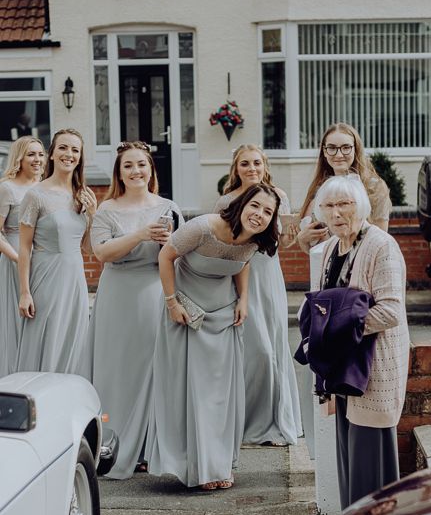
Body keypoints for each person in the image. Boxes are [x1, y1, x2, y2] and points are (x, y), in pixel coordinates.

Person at [147, 183, 280, 491]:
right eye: (255, 206)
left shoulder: (255, 240)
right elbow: (166, 257)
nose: (259, 215)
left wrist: (244, 299)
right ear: (243, 203)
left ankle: (218, 464)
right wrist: (171, 304)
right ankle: (195, 465)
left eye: (268, 212)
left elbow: (242, 264)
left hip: (224, 316)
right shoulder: (204, 227)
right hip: (186, 313)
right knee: (193, 391)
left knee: (220, 395)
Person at [311, 175, 409, 508]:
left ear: (361, 206)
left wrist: (339, 330)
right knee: (347, 452)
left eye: (344, 204)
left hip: (372, 369)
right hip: (342, 370)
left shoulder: (382, 245)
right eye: (329, 206)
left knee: (369, 456)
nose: (336, 213)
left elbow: (391, 310)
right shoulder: (330, 248)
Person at [86, 141, 181, 479]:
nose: (136, 171)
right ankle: (113, 444)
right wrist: (141, 234)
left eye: (142, 164)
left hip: (155, 292)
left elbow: (180, 253)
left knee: (154, 370)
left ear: (151, 169)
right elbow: (102, 252)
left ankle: (148, 448)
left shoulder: (168, 207)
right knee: (118, 369)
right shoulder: (107, 210)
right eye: (128, 166)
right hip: (118, 297)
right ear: (119, 173)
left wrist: (166, 246)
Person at [213, 145, 301, 447]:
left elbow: (281, 244)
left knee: (272, 348)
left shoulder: (278, 196)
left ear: (265, 166)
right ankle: (245, 421)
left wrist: (291, 234)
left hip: (269, 276)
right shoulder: (226, 201)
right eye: (245, 164)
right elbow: (218, 243)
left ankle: (276, 419)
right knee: (251, 350)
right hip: (237, 277)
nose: (252, 169)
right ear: (235, 168)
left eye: (257, 163)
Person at [16, 128, 97, 374]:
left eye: (75, 150)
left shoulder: (84, 195)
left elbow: (89, 248)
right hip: (46, 278)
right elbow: (24, 246)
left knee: (75, 342)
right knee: (47, 340)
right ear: (51, 154)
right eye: (63, 148)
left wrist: (93, 215)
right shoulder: (35, 195)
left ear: (80, 157)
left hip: (75, 280)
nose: (69, 154)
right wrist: (24, 293)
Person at [294, 122, 391, 252]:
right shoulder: (319, 191)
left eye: (346, 147)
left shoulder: (375, 188)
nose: (339, 155)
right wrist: (302, 240)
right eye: (332, 148)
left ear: (356, 149)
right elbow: (316, 249)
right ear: (324, 151)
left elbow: (382, 239)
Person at [0, 136, 44, 376]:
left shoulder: (45, 186)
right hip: (15, 258)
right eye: (31, 154)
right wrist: (18, 259)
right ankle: (14, 374)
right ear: (19, 158)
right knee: (19, 319)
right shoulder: (7, 188)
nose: (37, 159)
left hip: (43, 258)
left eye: (40, 154)